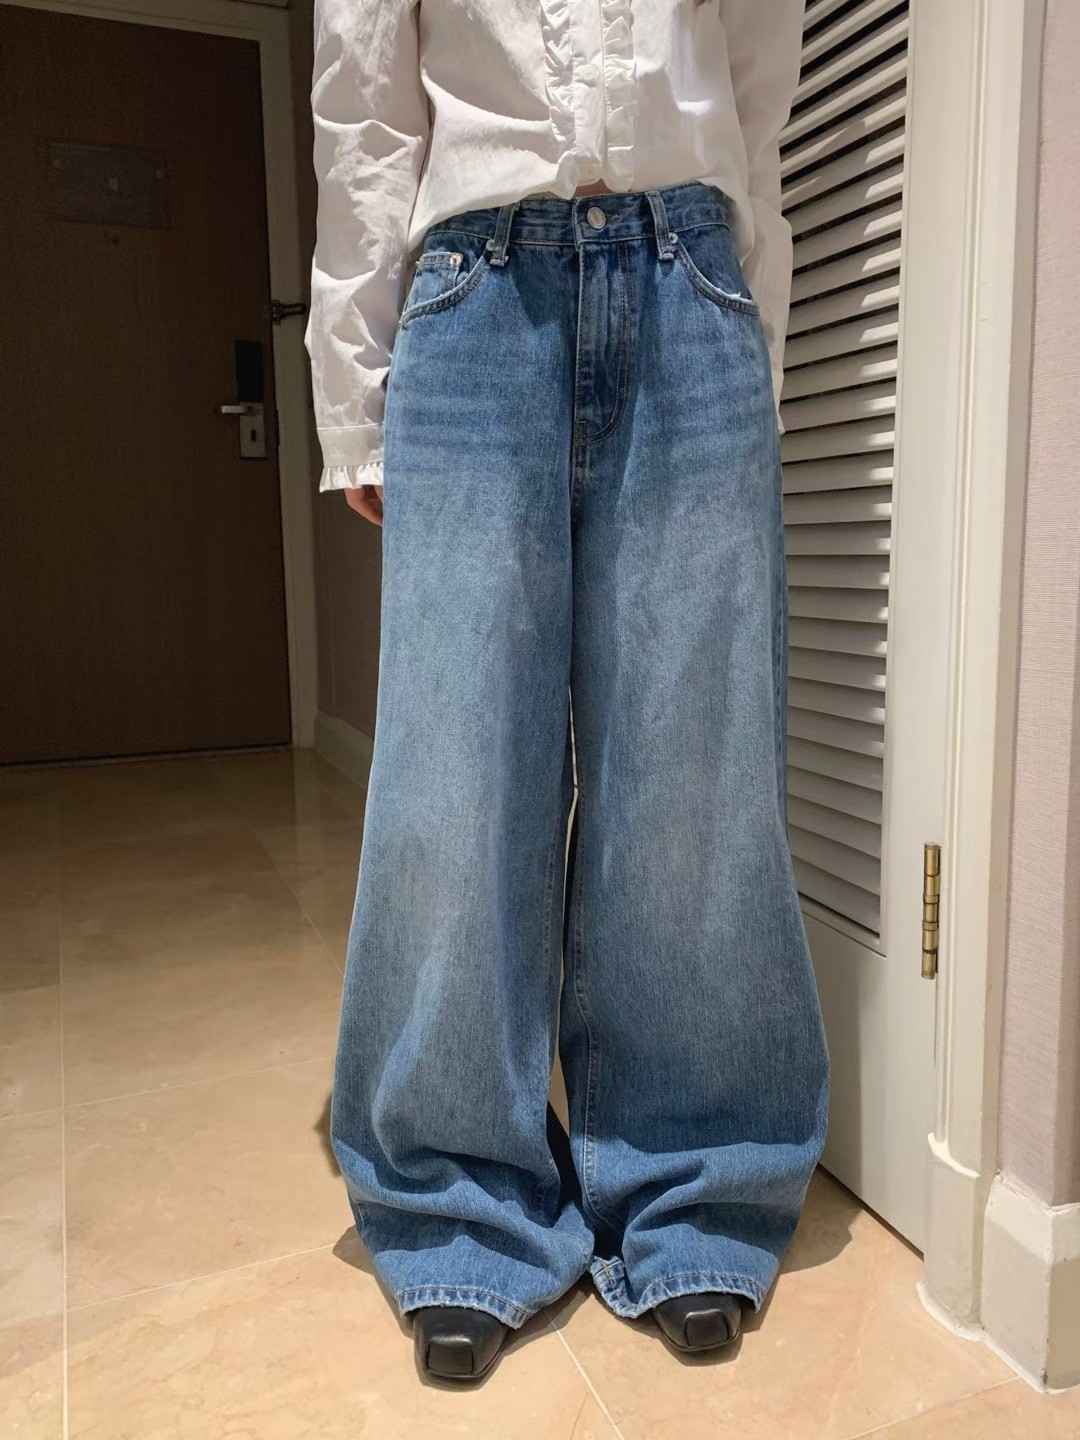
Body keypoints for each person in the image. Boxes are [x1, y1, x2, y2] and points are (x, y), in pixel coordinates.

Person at [306, 0, 829, 1384]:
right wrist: (353, 389)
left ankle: (698, 1181)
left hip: (694, 275)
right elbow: (365, 102)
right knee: (455, 773)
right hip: (475, 293)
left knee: (697, 772)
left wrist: (752, 341)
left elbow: (759, 88)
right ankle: (455, 1204)